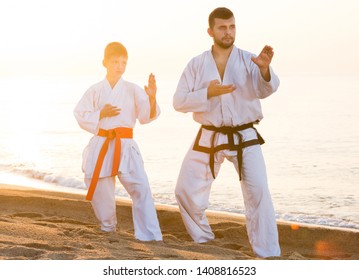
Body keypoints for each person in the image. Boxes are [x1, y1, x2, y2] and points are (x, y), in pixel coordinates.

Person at [173, 7, 280, 257]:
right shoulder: (197, 64)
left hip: (245, 136)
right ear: (210, 31)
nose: (228, 32)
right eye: (222, 27)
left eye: (232, 26)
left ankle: (267, 252)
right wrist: (207, 93)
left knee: (259, 193)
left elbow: (266, 90)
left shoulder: (250, 59)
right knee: (184, 190)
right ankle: (203, 238)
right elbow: (179, 101)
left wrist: (264, 71)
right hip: (209, 134)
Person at [74, 42, 162, 242]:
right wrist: (100, 113)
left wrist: (152, 98)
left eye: (123, 62)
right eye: (115, 61)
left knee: (141, 187)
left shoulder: (132, 89)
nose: (119, 66)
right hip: (102, 141)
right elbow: (80, 114)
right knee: (100, 187)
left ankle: (149, 235)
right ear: (105, 62)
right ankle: (107, 226)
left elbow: (145, 117)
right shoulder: (95, 90)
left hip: (125, 144)